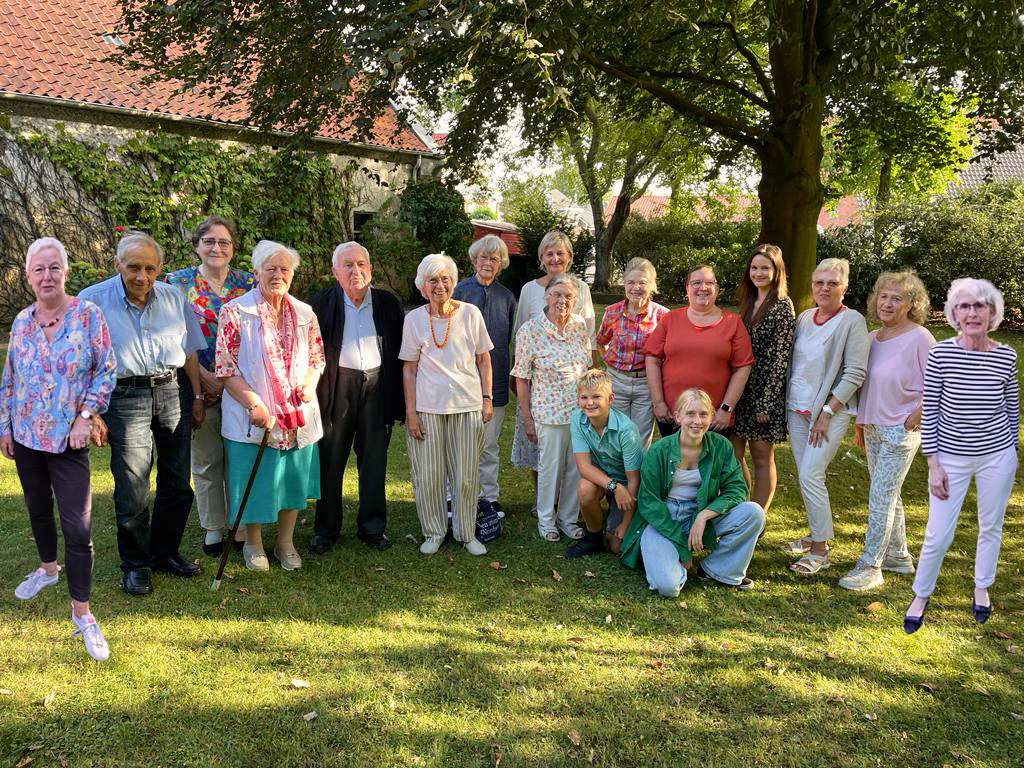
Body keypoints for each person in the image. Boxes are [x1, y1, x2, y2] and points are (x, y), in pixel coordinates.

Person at [1, 238, 116, 660]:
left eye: (53, 268)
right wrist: (5, 428)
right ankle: (48, 569)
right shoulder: (21, 322)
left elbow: (106, 369)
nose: (46, 276)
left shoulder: (88, 315)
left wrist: (86, 417)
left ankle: (82, 612)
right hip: (27, 437)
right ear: (29, 277)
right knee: (35, 508)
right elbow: (9, 379)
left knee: (78, 525)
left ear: (65, 272)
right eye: (38, 270)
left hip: (69, 439)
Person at [79, 231, 206, 596]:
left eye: (150, 268)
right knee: (133, 486)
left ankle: (164, 553)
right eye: (134, 267)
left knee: (178, 483)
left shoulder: (173, 298)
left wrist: (196, 396)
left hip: (172, 392)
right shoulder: (92, 302)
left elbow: (192, 353)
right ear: (117, 264)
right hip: (123, 397)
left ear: (159, 268)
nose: (142, 276)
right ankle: (135, 564)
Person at [904, 278, 1019, 633]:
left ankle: (981, 587)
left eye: (980, 306)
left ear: (992, 313)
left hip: (997, 456)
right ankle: (921, 595)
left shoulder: (1006, 355)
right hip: (950, 458)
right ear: (954, 313)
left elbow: (1011, 407)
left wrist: (1011, 448)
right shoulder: (941, 353)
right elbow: (933, 410)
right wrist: (934, 464)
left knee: (991, 525)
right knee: (938, 533)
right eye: (965, 306)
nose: (973, 313)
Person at [215, 240, 325, 572]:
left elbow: (317, 358)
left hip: (296, 415)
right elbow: (225, 368)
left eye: (284, 269)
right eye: (270, 268)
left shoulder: (306, 313)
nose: (278, 274)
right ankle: (253, 544)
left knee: (293, 480)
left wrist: (309, 382)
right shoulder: (235, 311)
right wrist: (253, 404)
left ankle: (285, 542)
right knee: (255, 478)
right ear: (256, 271)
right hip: (254, 416)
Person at [166, 215, 256, 556]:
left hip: (241, 385)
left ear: (233, 248)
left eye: (224, 242)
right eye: (209, 241)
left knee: (238, 457)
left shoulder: (248, 283)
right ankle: (213, 528)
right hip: (196, 383)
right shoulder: (177, 284)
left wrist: (229, 381)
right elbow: (173, 336)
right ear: (197, 245)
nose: (217, 248)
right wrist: (205, 380)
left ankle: (241, 525)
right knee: (205, 461)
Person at [619, 388, 765, 597]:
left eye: (703, 414)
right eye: (690, 414)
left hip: (701, 513)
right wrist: (682, 548)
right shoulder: (658, 450)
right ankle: (669, 560)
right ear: (678, 417)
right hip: (663, 518)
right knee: (668, 588)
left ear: (712, 417)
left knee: (753, 512)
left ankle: (718, 570)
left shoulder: (720, 446)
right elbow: (648, 503)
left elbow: (737, 488)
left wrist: (704, 515)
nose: (697, 421)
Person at [841, 271, 934, 591]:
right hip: (873, 428)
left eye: (897, 298)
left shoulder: (920, 337)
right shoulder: (871, 339)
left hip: (900, 431)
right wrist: (860, 421)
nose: (888, 303)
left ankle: (871, 565)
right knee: (888, 494)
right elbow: (867, 386)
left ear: (911, 304)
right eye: (883, 296)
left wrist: (920, 413)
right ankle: (898, 556)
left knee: (880, 496)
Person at [309, 242, 405, 553]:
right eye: (347, 265)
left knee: (374, 460)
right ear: (335, 271)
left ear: (371, 269)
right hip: (337, 387)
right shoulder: (320, 304)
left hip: (376, 386)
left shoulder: (388, 303)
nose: (356, 271)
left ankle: (372, 528)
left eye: (361, 264)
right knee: (331, 459)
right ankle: (326, 529)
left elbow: (401, 353)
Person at [401, 253, 494, 556]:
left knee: (467, 475)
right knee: (428, 475)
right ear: (422, 286)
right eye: (432, 280)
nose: (439, 285)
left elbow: (484, 359)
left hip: (467, 406)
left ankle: (467, 533)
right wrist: (411, 413)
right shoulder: (413, 319)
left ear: (453, 282)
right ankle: (434, 531)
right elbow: (410, 369)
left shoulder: (470, 314)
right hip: (428, 409)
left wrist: (487, 398)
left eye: (445, 279)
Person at [782, 257, 869, 576]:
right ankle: (815, 534)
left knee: (810, 474)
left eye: (832, 283)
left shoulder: (852, 322)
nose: (824, 288)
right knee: (807, 475)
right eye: (819, 282)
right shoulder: (805, 317)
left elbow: (855, 372)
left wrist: (828, 410)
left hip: (829, 414)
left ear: (844, 288)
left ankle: (820, 551)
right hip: (797, 409)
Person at [511, 231, 597, 504]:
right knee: (538, 444)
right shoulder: (529, 290)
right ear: (541, 258)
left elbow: (588, 336)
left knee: (572, 447)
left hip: (572, 382)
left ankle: (567, 501)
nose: (555, 258)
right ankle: (542, 499)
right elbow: (520, 333)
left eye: (560, 253)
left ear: (570, 258)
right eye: (549, 253)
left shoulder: (581, 289)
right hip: (538, 380)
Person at [643, 264, 753, 437]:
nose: (703, 287)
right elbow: (652, 359)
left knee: (713, 463)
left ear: (717, 288)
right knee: (676, 462)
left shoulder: (733, 322)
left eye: (709, 282)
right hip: (674, 414)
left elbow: (743, 368)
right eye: (696, 283)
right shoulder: (670, 319)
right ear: (687, 288)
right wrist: (658, 402)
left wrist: (727, 408)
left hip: (715, 417)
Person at [453, 235, 517, 519]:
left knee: (489, 443)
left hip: (498, 377)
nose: (487, 263)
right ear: (473, 259)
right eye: (483, 257)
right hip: (462, 377)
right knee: (459, 441)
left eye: (494, 258)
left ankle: (489, 498)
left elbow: (511, 337)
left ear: (501, 263)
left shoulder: (507, 297)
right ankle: (454, 494)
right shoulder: (459, 291)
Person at [730, 244, 796, 513]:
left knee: (761, 457)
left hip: (764, 393)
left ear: (776, 271)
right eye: (754, 267)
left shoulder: (782, 306)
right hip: (740, 389)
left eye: (765, 268)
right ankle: (742, 509)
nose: (758, 272)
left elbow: (781, 359)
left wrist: (766, 403)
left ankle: (757, 516)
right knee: (733, 456)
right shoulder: (747, 302)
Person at [566, 369, 644, 558]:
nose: (589, 403)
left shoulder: (627, 431)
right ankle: (593, 537)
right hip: (607, 481)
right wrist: (613, 487)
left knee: (618, 547)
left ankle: (617, 521)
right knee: (585, 488)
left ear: (610, 399)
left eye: (596, 397)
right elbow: (583, 467)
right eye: (584, 397)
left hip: (628, 486)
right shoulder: (578, 418)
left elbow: (634, 480)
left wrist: (625, 524)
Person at [596, 257, 669, 447]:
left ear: (652, 285)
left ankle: (637, 477)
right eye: (631, 282)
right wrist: (610, 364)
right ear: (624, 284)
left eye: (642, 282)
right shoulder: (612, 312)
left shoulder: (663, 315)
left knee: (640, 439)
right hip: (616, 381)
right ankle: (616, 476)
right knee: (614, 434)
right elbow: (601, 342)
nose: (636, 287)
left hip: (646, 383)